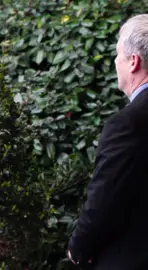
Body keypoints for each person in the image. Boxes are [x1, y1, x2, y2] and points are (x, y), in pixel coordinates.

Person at [68, 14, 148, 269]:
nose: (115, 62)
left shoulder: (128, 123)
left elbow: (104, 198)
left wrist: (79, 248)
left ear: (133, 61)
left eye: (117, 55)